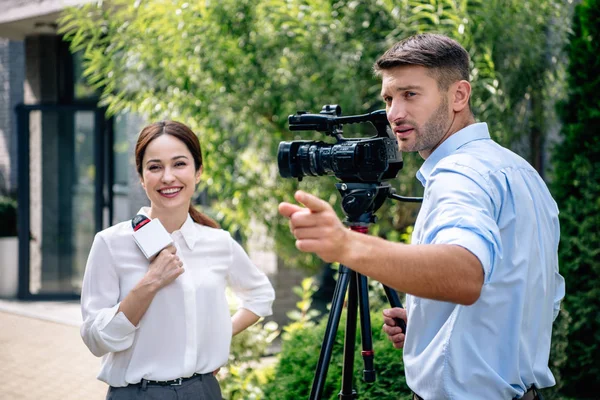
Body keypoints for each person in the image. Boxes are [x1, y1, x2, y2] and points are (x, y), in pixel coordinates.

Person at [278, 33, 565, 400]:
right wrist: (431, 320)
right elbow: (530, 294)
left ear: (459, 95)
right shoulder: (519, 171)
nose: (394, 114)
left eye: (410, 95)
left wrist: (346, 245)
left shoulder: (459, 174)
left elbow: (464, 276)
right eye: (388, 98)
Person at [81, 120, 275, 400]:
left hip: (202, 391)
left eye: (179, 164)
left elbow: (261, 295)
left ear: (198, 172)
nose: (168, 177)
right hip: (136, 394)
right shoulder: (111, 244)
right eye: (155, 167)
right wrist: (150, 283)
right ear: (141, 177)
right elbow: (96, 340)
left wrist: (215, 339)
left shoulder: (218, 242)